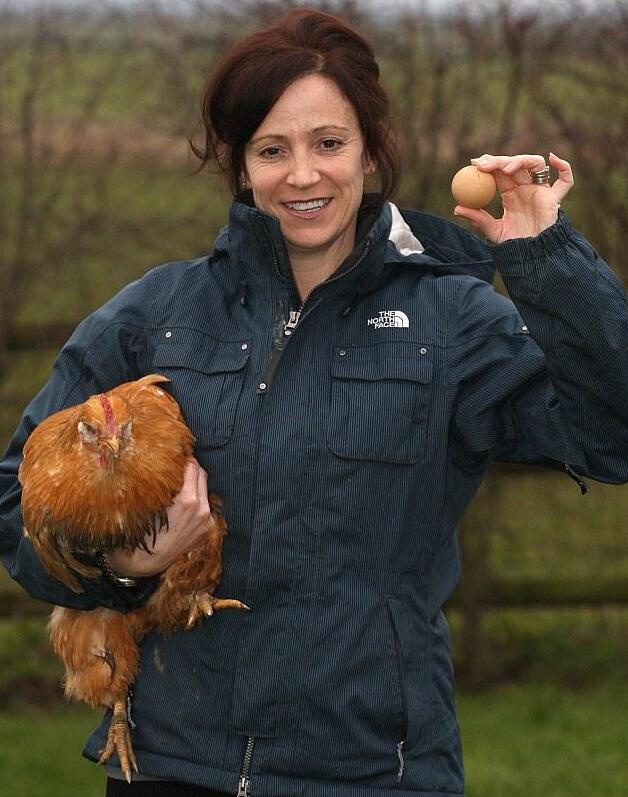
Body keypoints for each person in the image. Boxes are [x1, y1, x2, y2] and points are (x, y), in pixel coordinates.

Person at [1, 8, 627, 797]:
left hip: (377, 769)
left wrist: (547, 258)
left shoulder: (451, 319)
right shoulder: (156, 315)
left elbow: (613, 437)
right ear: (242, 167)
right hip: (173, 765)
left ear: (369, 151)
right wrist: (127, 568)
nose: (303, 175)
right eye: (272, 150)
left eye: (328, 144)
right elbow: (13, 503)